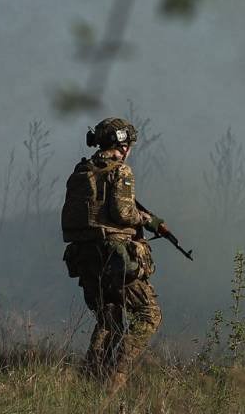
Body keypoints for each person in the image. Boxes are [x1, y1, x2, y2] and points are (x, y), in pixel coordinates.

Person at [60, 117, 171, 391]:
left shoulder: (81, 172)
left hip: (84, 257)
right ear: (123, 144)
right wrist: (145, 219)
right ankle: (115, 377)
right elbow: (123, 213)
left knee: (109, 320)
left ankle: (89, 378)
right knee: (149, 315)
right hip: (115, 258)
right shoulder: (121, 171)